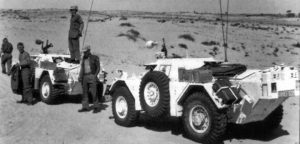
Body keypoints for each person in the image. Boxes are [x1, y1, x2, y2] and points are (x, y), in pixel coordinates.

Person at [78, 45, 101, 113]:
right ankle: (85, 107)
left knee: (94, 92)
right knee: (85, 93)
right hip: (84, 77)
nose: (84, 53)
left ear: (88, 51)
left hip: (92, 76)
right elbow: (82, 68)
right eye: (83, 52)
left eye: (85, 52)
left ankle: (96, 107)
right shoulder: (83, 59)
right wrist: (80, 76)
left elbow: (98, 68)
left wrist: (95, 76)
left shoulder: (95, 57)